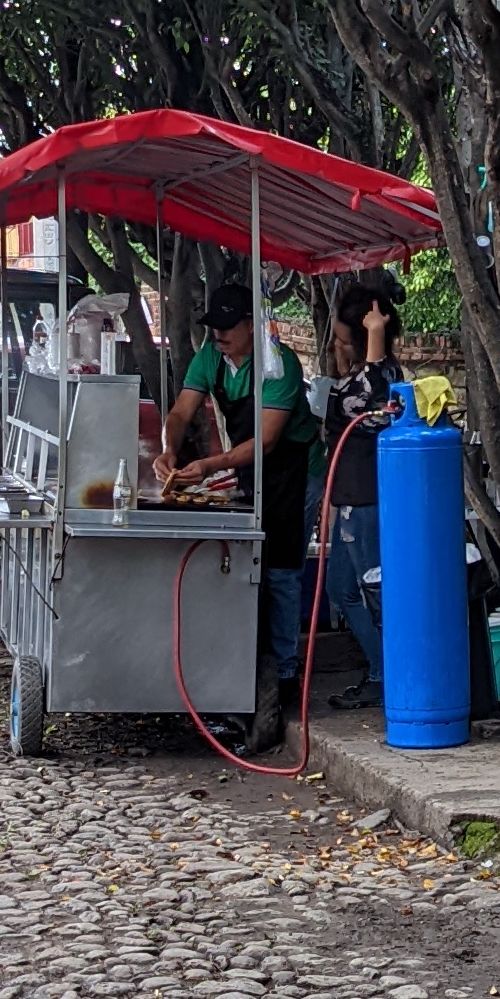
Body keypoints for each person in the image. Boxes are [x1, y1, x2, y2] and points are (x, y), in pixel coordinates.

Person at [167, 276, 309, 748]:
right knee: (248, 560)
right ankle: (245, 659)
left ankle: (284, 668)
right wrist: (170, 449)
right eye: (216, 327)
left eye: (229, 327)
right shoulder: (211, 358)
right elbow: (182, 411)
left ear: (254, 325)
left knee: (284, 567)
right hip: (250, 470)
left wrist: (207, 465)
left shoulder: (279, 365)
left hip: (294, 470)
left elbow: (267, 441)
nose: (220, 335)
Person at [319, 272, 408, 711]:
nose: (337, 348)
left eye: (343, 341)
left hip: (365, 500)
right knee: (342, 588)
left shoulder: (379, 377)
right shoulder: (360, 374)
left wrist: (373, 339)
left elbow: (376, 409)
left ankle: (388, 672)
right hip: (348, 497)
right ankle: (380, 666)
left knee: (370, 588)